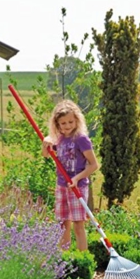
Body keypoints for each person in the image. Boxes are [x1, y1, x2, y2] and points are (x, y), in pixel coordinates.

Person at [41, 100, 99, 252]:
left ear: (77, 120)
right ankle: (64, 258)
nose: (67, 126)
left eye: (70, 122)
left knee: (78, 224)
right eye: (63, 123)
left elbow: (93, 165)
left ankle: (83, 259)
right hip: (61, 185)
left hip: (77, 187)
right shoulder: (59, 139)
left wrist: (77, 178)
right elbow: (46, 155)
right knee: (62, 224)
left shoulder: (81, 139)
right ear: (57, 124)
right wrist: (45, 142)